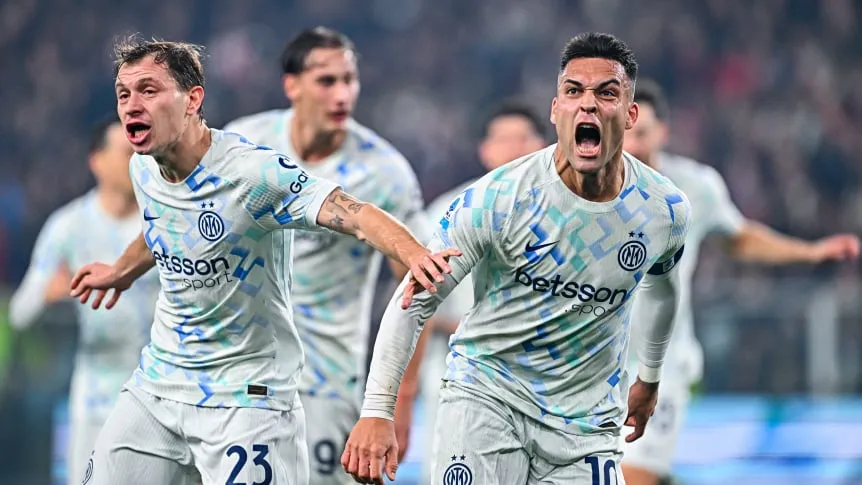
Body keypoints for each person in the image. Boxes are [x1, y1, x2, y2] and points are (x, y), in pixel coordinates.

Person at [68, 35, 458, 485]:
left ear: (193, 99)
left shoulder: (255, 173)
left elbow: (355, 214)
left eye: (149, 90)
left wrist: (415, 254)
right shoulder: (144, 167)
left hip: (246, 395)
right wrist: (121, 271)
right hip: (160, 382)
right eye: (124, 95)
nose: (132, 106)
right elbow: (165, 224)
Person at [342, 32, 693, 485]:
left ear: (630, 115)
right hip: (488, 398)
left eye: (607, 93)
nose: (588, 104)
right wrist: (378, 409)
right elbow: (415, 297)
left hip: (585, 421)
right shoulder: (499, 198)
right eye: (574, 91)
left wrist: (651, 376)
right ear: (556, 110)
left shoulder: (663, 209)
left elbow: (664, 292)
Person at [620, 79, 861, 485]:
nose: (632, 144)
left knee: (633, 475)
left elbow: (739, 238)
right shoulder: (588, 189)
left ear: (663, 132)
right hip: (593, 365)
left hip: (663, 367)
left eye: (642, 133)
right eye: (625, 133)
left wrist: (809, 252)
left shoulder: (693, 187)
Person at [222, 26, 428, 485]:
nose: (342, 94)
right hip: (242, 372)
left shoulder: (384, 172)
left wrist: (400, 398)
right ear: (292, 85)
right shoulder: (245, 145)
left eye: (349, 80)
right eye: (326, 81)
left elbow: (419, 286)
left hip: (327, 384)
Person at [9, 117, 160, 485]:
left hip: (160, 396)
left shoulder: (162, 222)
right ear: (97, 161)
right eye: (126, 153)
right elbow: (19, 313)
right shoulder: (68, 227)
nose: (136, 162)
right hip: (96, 398)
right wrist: (49, 294)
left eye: (141, 153)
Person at [415, 99, 548, 484]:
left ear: (544, 146)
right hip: (458, 374)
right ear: (485, 150)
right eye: (504, 139)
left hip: (541, 376)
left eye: (524, 138)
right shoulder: (450, 211)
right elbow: (418, 302)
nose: (515, 149)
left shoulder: (564, 212)